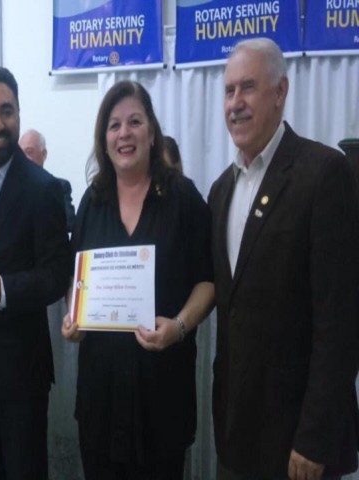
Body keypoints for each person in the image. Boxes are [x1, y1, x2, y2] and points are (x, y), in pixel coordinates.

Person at [209, 38, 359, 480]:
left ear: (280, 92)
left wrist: (315, 437)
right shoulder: (220, 191)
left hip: (299, 444)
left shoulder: (324, 173)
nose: (235, 103)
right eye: (229, 90)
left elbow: (340, 322)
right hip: (237, 437)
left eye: (248, 87)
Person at [62, 80, 214, 479]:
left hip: (161, 397)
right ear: (104, 139)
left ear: (151, 132)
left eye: (134, 121)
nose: (124, 133)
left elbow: (208, 281)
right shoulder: (92, 202)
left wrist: (179, 326)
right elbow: (76, 281)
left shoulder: (183, 197)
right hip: (101, 400)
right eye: (114, 125)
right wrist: (73, 318)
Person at [0, 65, 71, 480]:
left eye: (7, 111)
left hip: (21, 371)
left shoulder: (44, 188)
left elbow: (57, 273)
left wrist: (4, 287)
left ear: (18, 114)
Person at [19, 129, 76, 232]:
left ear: (44, 154)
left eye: (29, 152)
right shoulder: (10, 188)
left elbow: (69, 222)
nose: (24, 159)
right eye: (21, 154)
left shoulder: (60, 186)